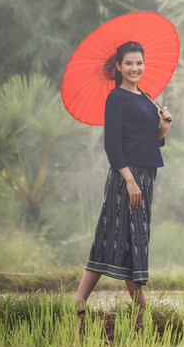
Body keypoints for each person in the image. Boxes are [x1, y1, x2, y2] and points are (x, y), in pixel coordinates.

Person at [74, 41, 173, 311]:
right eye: (128, 63)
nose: (134, 68)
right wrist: (129, 180)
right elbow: (113, 145)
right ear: (118, 66)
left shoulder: (145, 96)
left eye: (139, 63)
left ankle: (81, 299)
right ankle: (139, 308)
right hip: (126, 177)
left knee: (129, 237)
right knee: (122, 236)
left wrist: (162, 129)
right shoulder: (116, 98)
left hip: (146, 175)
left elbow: (146, 141)